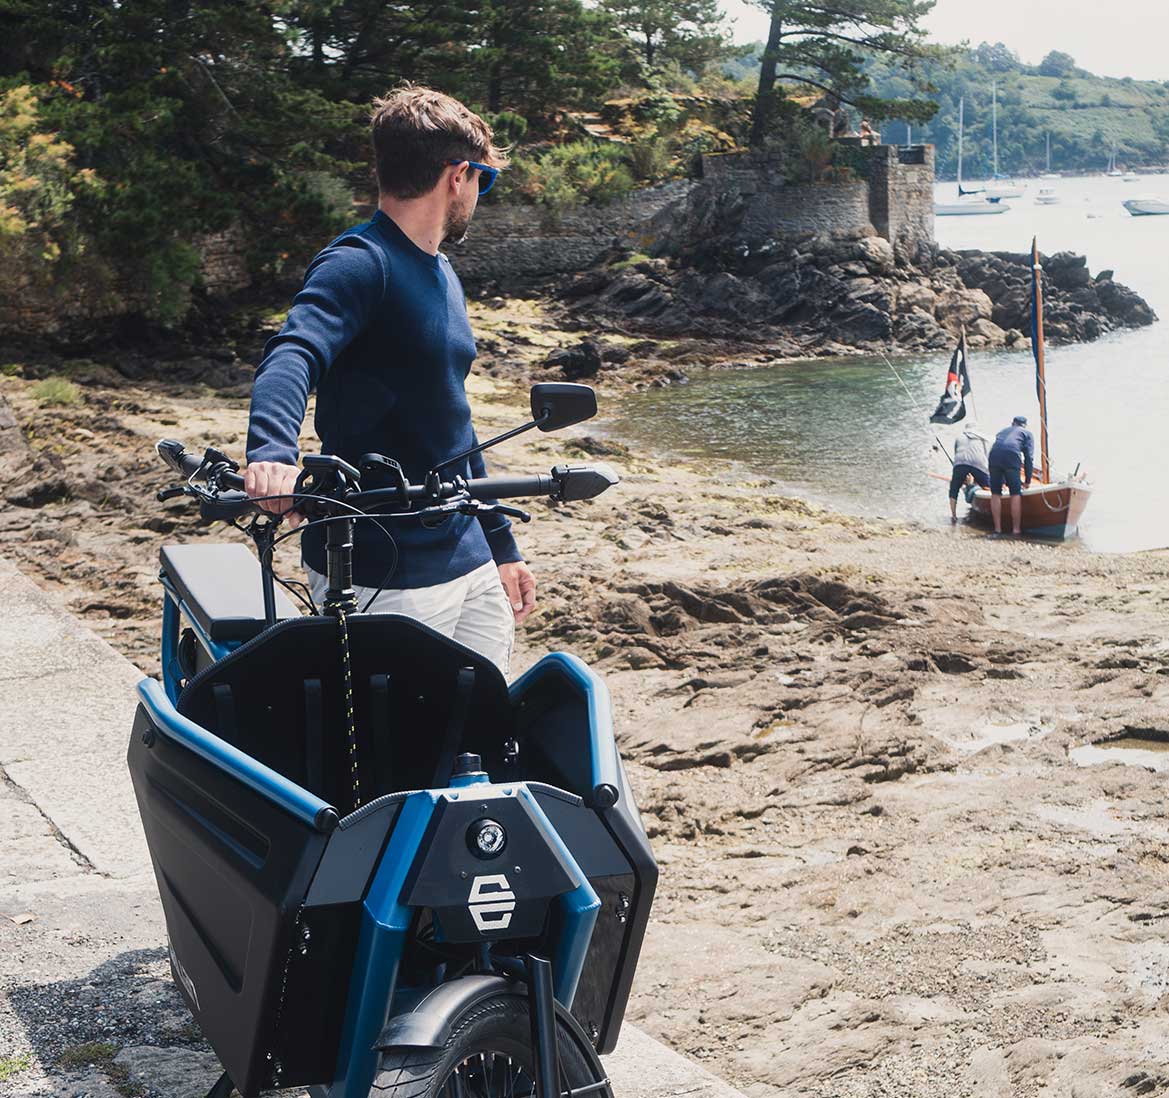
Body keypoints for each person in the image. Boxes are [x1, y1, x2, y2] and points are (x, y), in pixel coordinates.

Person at [243, 85, 535, 675]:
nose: (481, 194)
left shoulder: (442, 271)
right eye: (485, 180)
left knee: (482, 732)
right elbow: (293, 353)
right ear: (458, 175)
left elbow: (452, 420)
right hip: (379, 563)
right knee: (391, 754)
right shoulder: (360, 262)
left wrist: (501, 545)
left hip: (468, 555)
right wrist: (272, 452)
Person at [987, 415, 1035, 536]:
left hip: (994, 456)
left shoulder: (1002, 431)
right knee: (1015, 493)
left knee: (996, 493)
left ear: (1012, 423)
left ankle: (997, 529)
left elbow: (1000, 447)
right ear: (1024, 425)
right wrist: (1028, 481)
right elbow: (1029, 458)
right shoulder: (1027, 434)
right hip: (1011, 457)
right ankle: (1016, 530)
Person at [948, 421, 991, 522]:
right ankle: (989, 505)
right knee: (988, 487)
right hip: (978, 464)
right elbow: (986, 456)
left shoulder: (959, 437)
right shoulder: (983, 438)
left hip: (960, 463)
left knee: (954, 488)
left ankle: (953, 516)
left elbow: (956, 453)